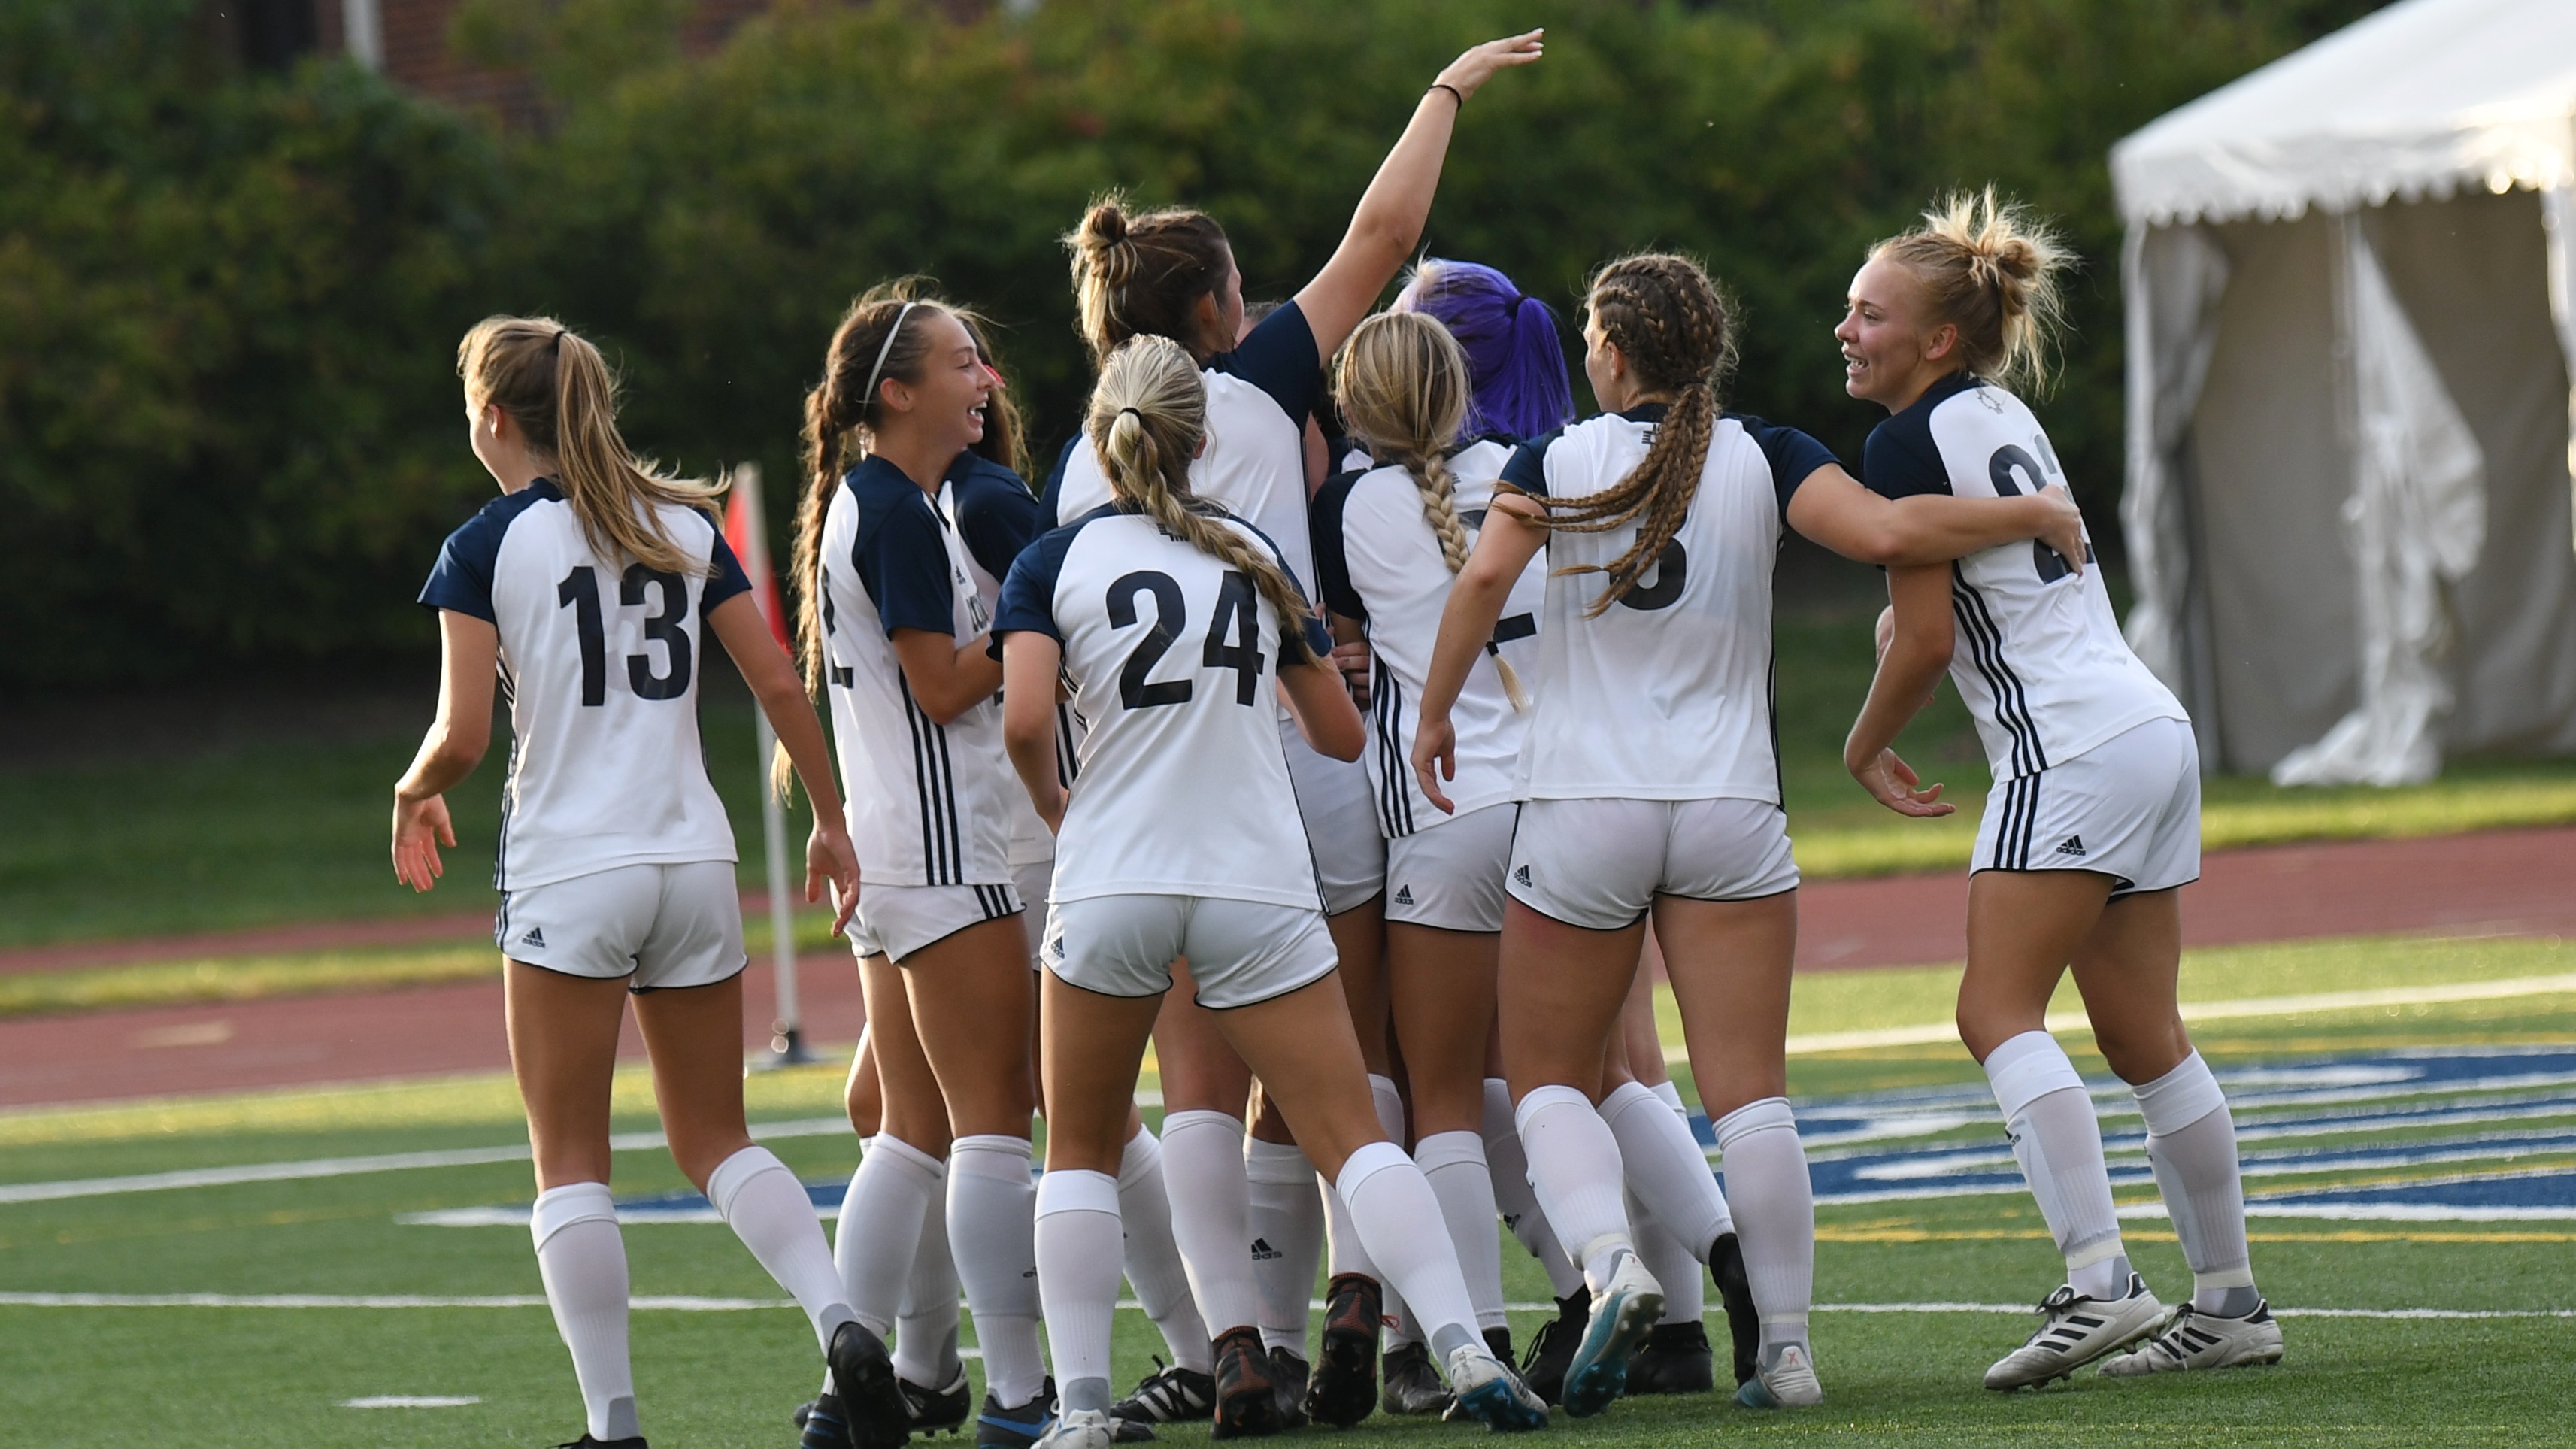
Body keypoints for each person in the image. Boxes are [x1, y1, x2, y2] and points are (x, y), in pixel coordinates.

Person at [1411, 252, 2090, 1419]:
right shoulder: (1762, 452)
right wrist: (2028, 511)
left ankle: (1609, 1260)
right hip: (1731, 807)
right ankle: (1783, 1352)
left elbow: (1479, 584)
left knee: (1548, 1082)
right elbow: (1886, 535)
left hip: (1583, 805)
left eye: (1591, 335)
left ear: (1613, 353)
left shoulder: (1554, 457)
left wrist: (1433, 710)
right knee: (1750, 1098)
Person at [1044, 29, 1547, 1432]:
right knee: (1354, 1063)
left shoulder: (1077, 458)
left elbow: (1040, 665)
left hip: (1141, 789)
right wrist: (1446, 86)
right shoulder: (1256, 377)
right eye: (1240, 292)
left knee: (1195, 1087)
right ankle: (1377, 1314)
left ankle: (1233, 1348)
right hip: (1291, 766)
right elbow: (1387, 232)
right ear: (1214, 313)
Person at [394, 317, 875, 1449]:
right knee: (718, 1138)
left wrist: (413, 788)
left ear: (491, 419)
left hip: (573, 869)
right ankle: (842, 1317)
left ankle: (614, 1426)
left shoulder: (483, 547)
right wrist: (833, 822)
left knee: (569, 1163)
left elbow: (462, 736)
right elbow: (779, 683)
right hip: (693, 861)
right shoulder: (683, 523)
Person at [1836, 189, 2277, 1390]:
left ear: (1935, 340)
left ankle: (2098, 1282)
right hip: (2145, 726)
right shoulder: (1996, 411)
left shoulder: (1900, 442)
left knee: (1993, 1013)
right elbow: (1965, 588)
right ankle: (2229, 1301)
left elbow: (1926, 635)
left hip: (2068, 746)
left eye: (1868, 313)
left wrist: (1860, 746)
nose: (1844, 329)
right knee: (2144, 1037)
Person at [786, 283, 1047, 1449]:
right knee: (990, 1126)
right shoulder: (892, 509)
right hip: (942, 854)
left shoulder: (882, 499)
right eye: (957, 365)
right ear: (895, 394)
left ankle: (860, 1385)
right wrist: (1039, 620)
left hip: (902, 851)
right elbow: (943, 685)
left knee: (908, 1127)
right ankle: (1021, 1397)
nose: (981, 379)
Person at [1310, 311, 1538, 1397]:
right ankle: (1686, 1289)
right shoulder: (1524, 467)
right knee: (1571, 1080)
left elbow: (1333, 637)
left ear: (1352, 407)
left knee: (1436, 1090)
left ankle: (1472, 1343)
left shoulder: (1343, 506)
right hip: (1556, 803)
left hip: (1437, 815)